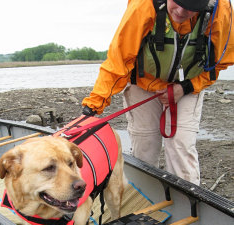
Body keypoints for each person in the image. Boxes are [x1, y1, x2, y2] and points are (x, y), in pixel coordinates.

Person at [82, 0, 234, 184]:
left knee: (181, 147)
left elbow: (218, 63)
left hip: (188, 85)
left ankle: (188, 205)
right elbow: (118, 60)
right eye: (177, 2)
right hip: (143, 83)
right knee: (144, 147)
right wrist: (92, 107)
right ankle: (143, 201)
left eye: (191, 8)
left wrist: (186, 87)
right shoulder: (144, 5)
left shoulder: (220, 10)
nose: (181, 11)